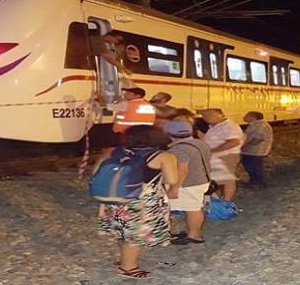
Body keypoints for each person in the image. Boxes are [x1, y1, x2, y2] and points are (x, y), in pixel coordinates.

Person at [93, 125, 179, 279]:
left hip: (115, 198)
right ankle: (128, 267)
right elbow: (172, 179)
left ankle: (124, 260)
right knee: (135, 235)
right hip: (141, 202)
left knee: (123, 231)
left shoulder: (113, 151)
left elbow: (95, 172)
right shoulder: (162, 156)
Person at [163, 121, 212, 245]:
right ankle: (192, 233)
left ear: (168, 133)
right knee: (194, 207)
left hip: (188, 183)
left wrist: (174, 187)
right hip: (201, 179)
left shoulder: (179, 149)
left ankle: (194, 235)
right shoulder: (200, 143)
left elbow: (182, 169)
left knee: (193, 209)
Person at [199, 108, 243, 201]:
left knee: (227, 179)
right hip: (218, 156)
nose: (206, 117)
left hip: (225, 156)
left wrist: (213, 150)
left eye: (210, 115)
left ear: (221, 115)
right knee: (221, 178)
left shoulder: (228, 126)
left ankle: (226, 202)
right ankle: (223, 198)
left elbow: (234, 142)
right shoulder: (215, 126)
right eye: (204, 116)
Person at [240, 111, 273, 188]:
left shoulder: (259, 125)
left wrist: (246, 146)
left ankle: (257, 183)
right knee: (254, 166)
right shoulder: (259, 125)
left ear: (254, 117)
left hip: (254, 151)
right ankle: (255, 182)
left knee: (253, 167)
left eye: (246, 116)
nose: (244, 117)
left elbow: (259, 138)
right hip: (254, 151)